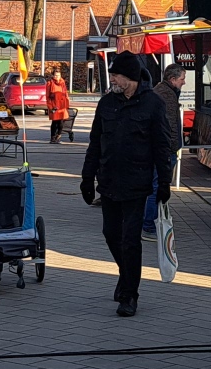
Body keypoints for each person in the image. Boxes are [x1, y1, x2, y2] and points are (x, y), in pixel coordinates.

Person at [80, 52, 174, 317]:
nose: (112, 79)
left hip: (137, 183)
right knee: (111, 235)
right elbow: (95, 142)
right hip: (108, 180)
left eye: (116, 75)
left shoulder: (152, 104)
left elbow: (161, 145)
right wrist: (87, 177)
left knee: (131, 240)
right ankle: (126, 274)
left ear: (130, 77)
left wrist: (164, 181)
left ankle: (130, 294)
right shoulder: (107, 103)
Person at [143, 62, 185, 240]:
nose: (184, 83)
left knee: (156, 186)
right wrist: (172, 147)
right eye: (182, 79)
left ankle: (149, 222)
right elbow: (168, 126)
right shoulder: (166, 95)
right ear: (172, 79)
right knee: (158, 186)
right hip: (164, 150)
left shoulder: (164, 91)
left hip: (161, 149)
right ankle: (148, 226)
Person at [46, 68, 72, 144]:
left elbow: (65, 94)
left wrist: (67, 105)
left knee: (61, 122)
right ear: (53, 76)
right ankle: (53, 138)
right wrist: (50, 107)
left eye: (58, 75)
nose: (57, 77)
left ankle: (58, 136)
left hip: (62, 106)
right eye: (56, 75)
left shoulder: (62, 82)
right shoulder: (50, 83)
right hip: (54, 105)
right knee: (55, 122)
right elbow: (47, 96)